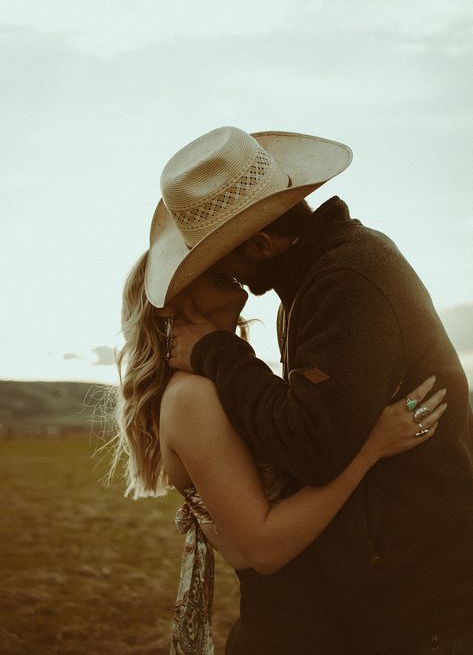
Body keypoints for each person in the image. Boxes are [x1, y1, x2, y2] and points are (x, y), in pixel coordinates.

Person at [144, 126, 473, 654]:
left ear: (260, 243)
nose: (227, 274)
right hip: (385, 590)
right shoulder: (311, 282)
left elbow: (312, 446)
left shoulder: (345, 280)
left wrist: (216, 351)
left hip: (421, 596)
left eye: (222, 257)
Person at [110, 253, 444, 655]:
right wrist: (371, 446)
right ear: (172, 298)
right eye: (204, 261)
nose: (227, 256)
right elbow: (264, 548)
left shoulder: (219, 383)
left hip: (329, 623)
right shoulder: (191, 397)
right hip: (292, 632)